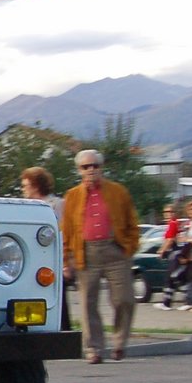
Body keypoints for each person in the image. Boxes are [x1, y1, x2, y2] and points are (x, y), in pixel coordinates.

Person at [60, 150, 140, 364]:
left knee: (124, 299)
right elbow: (66, 230)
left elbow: (133, 222)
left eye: (95, 165)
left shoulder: (118, 191)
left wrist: (129, 248)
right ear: (79, 170)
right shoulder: (73, 195)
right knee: (88, 303)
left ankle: (119, 342)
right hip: (86, 253)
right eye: (86, 167)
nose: (91, 170)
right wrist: (65, 260)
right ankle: (94, 349)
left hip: (116, 251)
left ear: (101, 167)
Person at [20, 166, 69, 328]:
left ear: (36, 185)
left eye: (25, 186)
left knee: (57, 296)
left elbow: (63, 232)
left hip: (53, 260)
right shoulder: (26, 206)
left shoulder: (55, 205)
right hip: (32, 260)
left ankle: (60, 327)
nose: (23, 189)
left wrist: (66, 261)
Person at [154, 201, 182, 310]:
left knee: (173, 277)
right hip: (174, 253)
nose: (167, 213)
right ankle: (166, 302)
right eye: (165, 212)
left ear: (174, 213)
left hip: (174, 253)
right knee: (173, 278)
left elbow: (169, 240)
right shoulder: (173, 223)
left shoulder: (173, 224)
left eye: (170, 211)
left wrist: (161, 251)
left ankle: (190, 300)